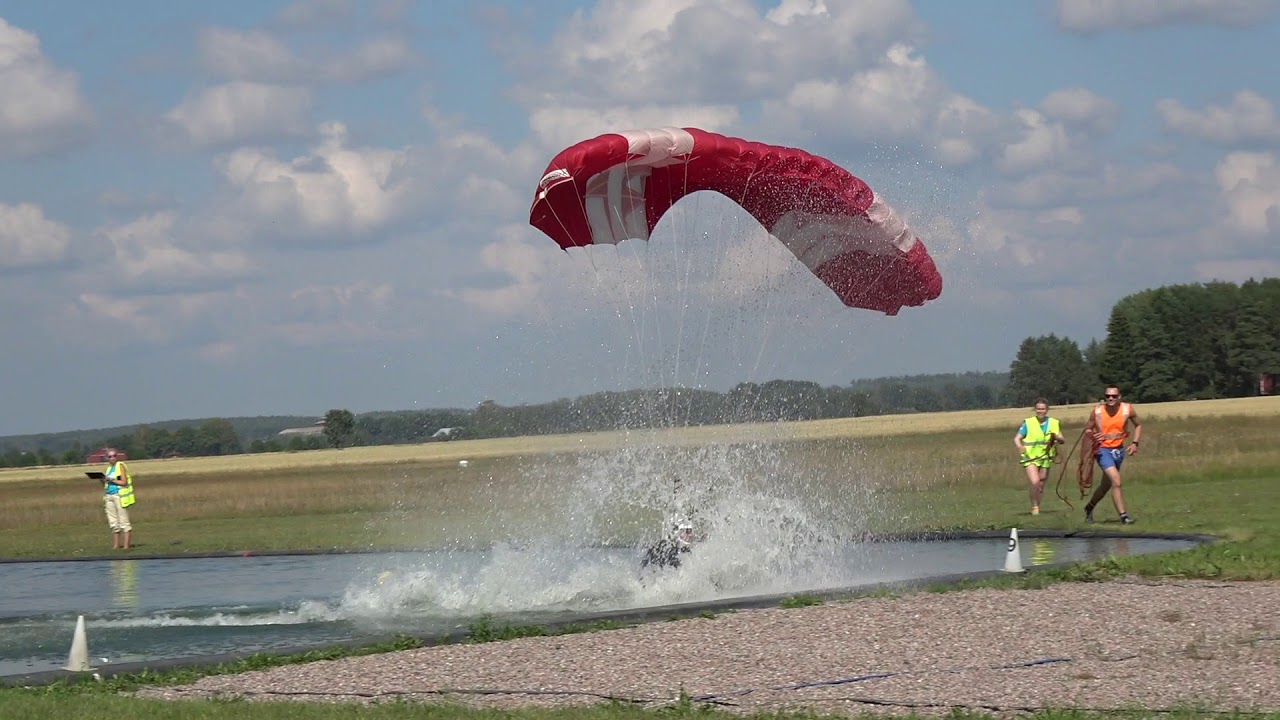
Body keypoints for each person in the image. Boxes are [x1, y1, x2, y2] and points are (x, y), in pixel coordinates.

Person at [1082, 385, 1142, 524]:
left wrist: (1135, 443)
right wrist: (1092, 435)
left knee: (1106, 486)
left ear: (1119, 397)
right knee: (1117, 481)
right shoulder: (1097, 411)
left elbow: (1138, 425)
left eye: (1114, 396)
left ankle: (1089, 507)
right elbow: (1087, 429)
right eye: (1108, 396)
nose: (1111, 399)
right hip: (1102, 450)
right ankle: (1124, 516)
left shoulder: (1127, 409)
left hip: (1119, 450)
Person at [1014, 399, 1064, 515]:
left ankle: (1037, 503)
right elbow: (1017, 438)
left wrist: (1057, 437)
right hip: (1030, 457)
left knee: (1041, 483)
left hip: (1046, 457)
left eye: (1043, 409)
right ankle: (1035, 507)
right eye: (1038, 409)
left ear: (1047, 410)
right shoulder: (1028, 423)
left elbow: (1062, 439)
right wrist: (1020, 447)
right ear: (1035, 409)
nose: (1040, 411)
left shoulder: (1054, 423)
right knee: (1035, 482)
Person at [101, 451, 135, 549]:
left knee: (124, 521)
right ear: (107, 458)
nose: (112, 458)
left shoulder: (120, 466)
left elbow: (124, 482)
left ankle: (126, 546)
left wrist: (111, 480)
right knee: (113, 522)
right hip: (109, 496)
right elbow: (106, 485)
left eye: (114, 455)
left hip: (119, 495)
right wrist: (102, 480)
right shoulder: (108, 469)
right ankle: (116, 546)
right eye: (110, 456)